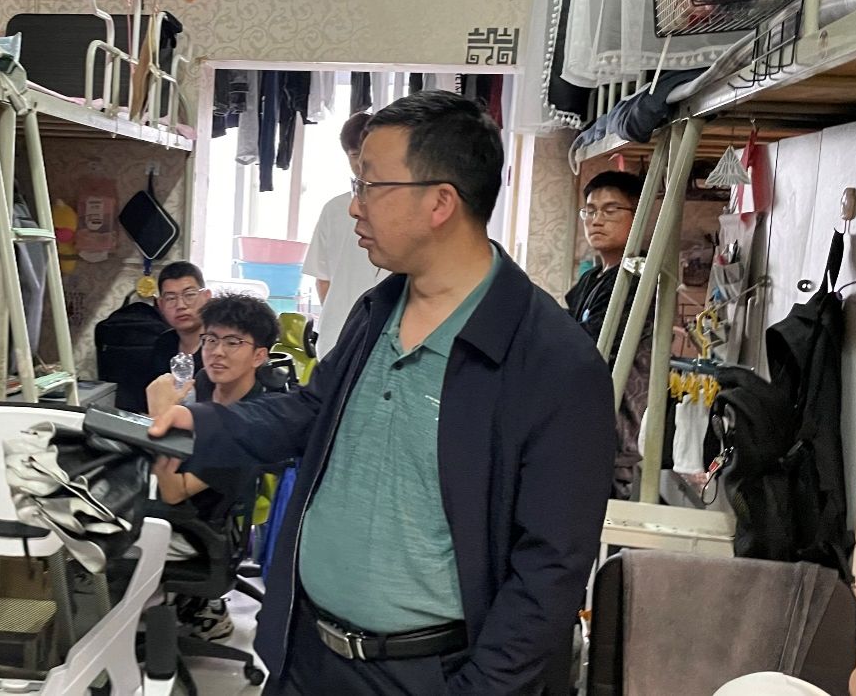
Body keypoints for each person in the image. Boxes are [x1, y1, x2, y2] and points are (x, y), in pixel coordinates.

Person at [149, 90, 616, 694]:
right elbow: (312, 413)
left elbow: (551, 567)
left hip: (428, 675)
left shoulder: (553, 361)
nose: (355, 206)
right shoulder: (378, 309)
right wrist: (203, 425)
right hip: (308, 656)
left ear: (440, 202)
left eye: (369, 185)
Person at [144, 293, 281, 642]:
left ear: (259, 355)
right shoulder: (203, 383)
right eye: (211, 340)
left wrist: (160, 418)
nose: (217, 352)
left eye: (233, 342)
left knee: (90, 538)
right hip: (179, 508)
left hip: (199, 530)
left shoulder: (251, 422)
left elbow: (174, 492)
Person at [565, 171, 653, 500]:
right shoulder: (593, 278)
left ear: (638, 215)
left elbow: (584, 346)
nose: (597, 220)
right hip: (580, 426)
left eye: (611, 210)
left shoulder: (637, 278)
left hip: (612, 434)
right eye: (590, 210)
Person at [302, 112, 383, 358]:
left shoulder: (397, 207)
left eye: (366, 153)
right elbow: (323, 279)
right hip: (336, 334)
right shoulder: (334, 209)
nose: (360, 163)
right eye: (354, 155)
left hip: (381, 336)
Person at [149, 261, 211, 384]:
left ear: (206, 297)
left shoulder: (219, 346)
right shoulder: (164, 343)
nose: (180, 305)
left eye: (189, 295)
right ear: (161, 305)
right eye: (171, 298)